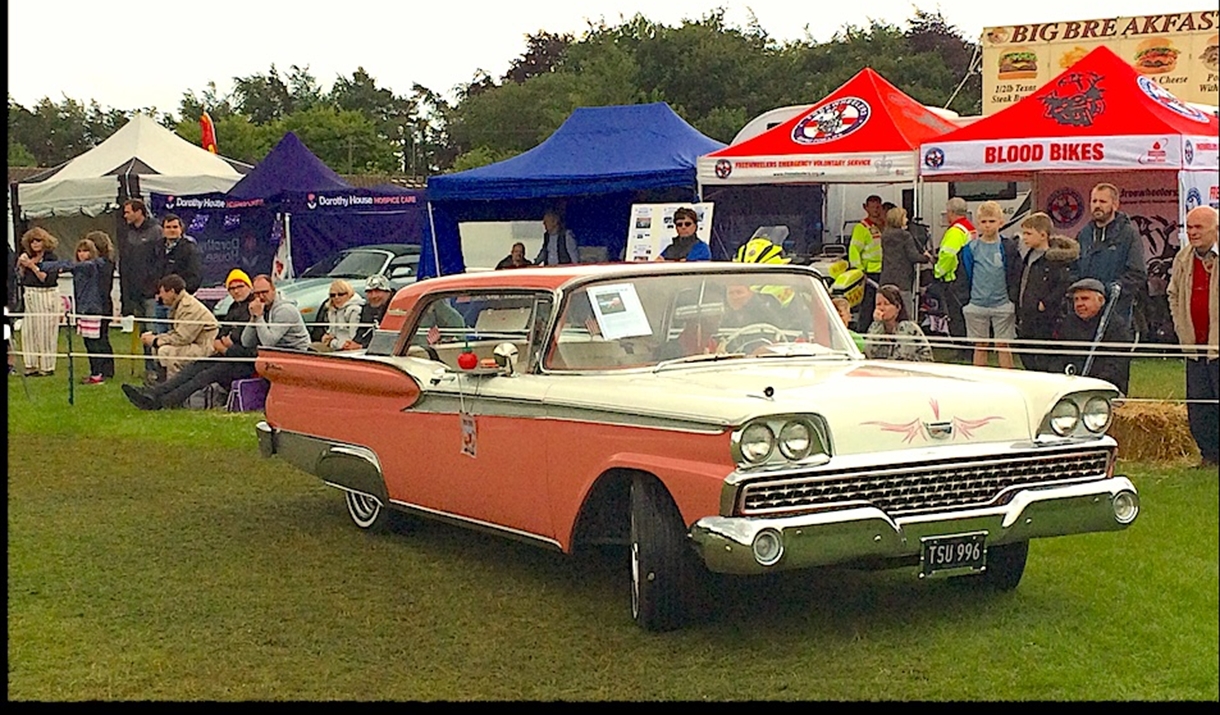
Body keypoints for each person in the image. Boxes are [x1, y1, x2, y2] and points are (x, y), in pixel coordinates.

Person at [122, 269, 259, 411]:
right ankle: (154, 392)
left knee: (202, 374)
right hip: (222, 353)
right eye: (232, 288)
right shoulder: (233, 308)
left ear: (249, 287)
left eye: (240, 287)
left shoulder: (252, 310)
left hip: (240, 360)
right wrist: (226, 343)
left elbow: (241, 340)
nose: (236, 291)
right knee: (194, 368)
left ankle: (162, 402)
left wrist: (155, 340)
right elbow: (221, 336)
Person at [1167, 206, 1218, 468]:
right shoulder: (1183, 258)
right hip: (1194, 346)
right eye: (1189, 227)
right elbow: (1172, 294)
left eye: (1199, 227)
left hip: (1217, 346)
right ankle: (1209, 455)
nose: (1193, 232)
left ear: (1215, 229)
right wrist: (1182, 328)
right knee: (1199, 406)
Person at [33, 233, 116, 383]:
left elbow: (68, 265)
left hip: (91, 309)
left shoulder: (91, 265)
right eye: (80, 251)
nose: (82, 254)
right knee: (89, 342)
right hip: (84, 308)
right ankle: (96, 372)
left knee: (94, 342)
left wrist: (39, 265)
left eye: (86, 251)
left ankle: (98, 374)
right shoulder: (91, 266)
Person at [1013, 213, 1078, 372]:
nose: (1024, 238)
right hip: (1026, 314)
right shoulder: (1027, 256)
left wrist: (1046, 303)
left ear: (1043, 235)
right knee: (1025, 351)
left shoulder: (1055, 260)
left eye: (1028, 234)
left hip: (1046, 318)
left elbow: (1062, 285)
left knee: (1044, 355)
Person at [1073, 183, 1146, 324]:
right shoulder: (1084, 235)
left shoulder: (1128, 235)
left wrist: (1106, 291)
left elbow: (1137, 273)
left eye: (1102, 201)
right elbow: (1074, 267)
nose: (1097, 205)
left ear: (1115, 204)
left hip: (1117, 312)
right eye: (1094, 201)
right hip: (1085, 316)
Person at [960, 201, 1018, 369]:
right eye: (984, 222)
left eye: (991, 221)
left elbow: (1014, 274)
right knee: (980, 346)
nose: (987, 225)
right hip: (977, 304)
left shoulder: (1008, 247)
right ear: (978, 223)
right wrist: (966, 300)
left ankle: (1009, 381)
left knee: (1003, 346)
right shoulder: (971, 248)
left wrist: (1012, 299)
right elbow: (966, 274)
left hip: (1002, 303)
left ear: (1001, 222)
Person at [1055, 278, 1132, 395]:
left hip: (1104, 391)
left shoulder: (1115, 326)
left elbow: (1116, 365)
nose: (1079, 304)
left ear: (1100, 300)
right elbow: (1059, 358)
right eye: (1076, 300)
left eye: (1085, 299)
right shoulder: (1068, 323)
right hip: (1070, 388)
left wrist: (1091, 384)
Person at [140, 274, 218, 379]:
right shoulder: (179, 304)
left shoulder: (190, 307)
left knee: (167, 352)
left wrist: (155, 340)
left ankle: (172, 388)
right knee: (159, 349)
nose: (160, 296)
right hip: (194, 343)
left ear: (171, 292)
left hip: (205, 347)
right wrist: (157, 339)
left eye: (161, 292)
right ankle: (161, 384)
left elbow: (183, 338)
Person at [15, 227, 63, 376]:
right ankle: (31, 364)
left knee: (46, 331)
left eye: (38, 241)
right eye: (32, 241)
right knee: (29, 331)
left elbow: (47, 279)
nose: (35, 244)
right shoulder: (28, 256)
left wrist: (32, 266)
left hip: (46, 295)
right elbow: (21, 277)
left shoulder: (51, 259)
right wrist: (22, 265)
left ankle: (47, 366)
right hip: (30, 295)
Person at [931, 196, 975, 357]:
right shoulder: (970, 228)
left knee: (956, 317)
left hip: (954, 280)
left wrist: (937, 271)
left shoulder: (955, 231)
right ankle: (968, 350)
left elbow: (948, 255)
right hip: (967, 278)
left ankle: (963, 351)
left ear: (950, 212)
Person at [878, 206, 931, 320]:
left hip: (886, 279)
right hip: (902, 281)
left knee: (886, 314)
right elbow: (913, 256)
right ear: (899, 219)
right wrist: (926, 257)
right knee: (906, 314)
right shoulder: (905, 236)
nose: (906, 220)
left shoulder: (885, 235)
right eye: (905, 217)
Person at [242, 274, 313, 353]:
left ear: (273, 290)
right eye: (257, 293)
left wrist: (259, 317)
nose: (261, 297)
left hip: (297, 352)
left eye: (265, 292)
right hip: (277, 351)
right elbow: (246, 342)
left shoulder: (285, 309)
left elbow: (268, 343)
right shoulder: (262, 307)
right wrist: (253, 318)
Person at [864, 283, 932, 362]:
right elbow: (868, 355)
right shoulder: (875, 327)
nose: (881, 308)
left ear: (898, 307)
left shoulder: (907, 327)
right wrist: (877, 324)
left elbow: (902, 357)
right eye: (878, 304)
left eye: (886, 304)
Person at [118, 198, 162, 319]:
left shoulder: (156, 231)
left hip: (151, 291)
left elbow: (160, 260)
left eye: (128, 212)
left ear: (138, 212)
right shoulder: (128, 233)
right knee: (140, 331)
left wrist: (153, 283)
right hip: (134, 291)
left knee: (152, 327)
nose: (125, 216)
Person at [848, 195, 885, 330]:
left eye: (878, 207)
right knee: (868, 305)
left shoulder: (883, 225)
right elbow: (854, 249)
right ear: (866, 208)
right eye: (873, 207)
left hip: (883, 270)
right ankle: (863, 331)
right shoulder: (862, 227)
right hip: (869, 272)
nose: (876, 210)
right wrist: (859, 269)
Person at [311, 279, 365, 352]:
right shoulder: (331, 310)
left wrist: (332, 342)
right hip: (334, 346)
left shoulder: (354, 310)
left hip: (347, 350)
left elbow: (352, 338)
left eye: (341, 294)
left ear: (349, 294)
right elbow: (331, 333)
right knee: (309, 348)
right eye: (333, 295)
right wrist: (326, 337)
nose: (336, 297)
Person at [353, 274, 394, 348]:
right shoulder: (366, 309)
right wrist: (353, 343)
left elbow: (392, 339)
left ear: (388, 292)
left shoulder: (397, 309)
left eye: (377, 291)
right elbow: (362, 331)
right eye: (369, 292)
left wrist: (362, 346)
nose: (373, 296)